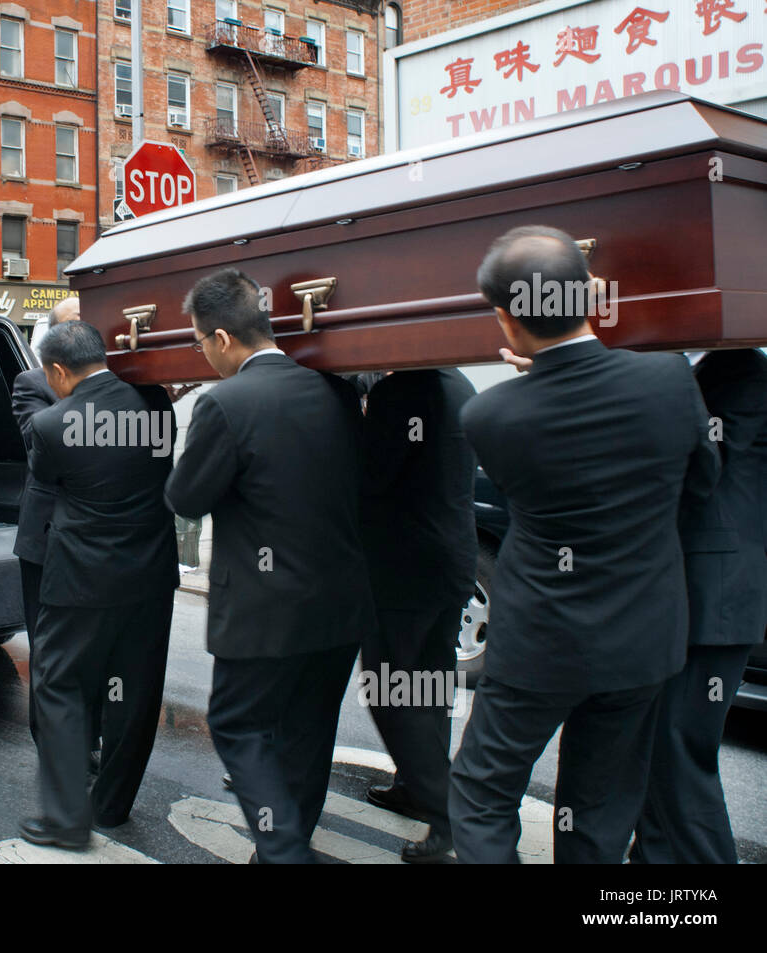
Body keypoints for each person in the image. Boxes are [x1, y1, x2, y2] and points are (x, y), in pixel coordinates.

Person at [449, 225, 720, 864]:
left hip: (542, 640)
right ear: (591, 295)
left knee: (482, 793)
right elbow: (700, 484)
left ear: (506, 319)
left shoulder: (489, 417)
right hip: (644, 636)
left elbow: (550, 437)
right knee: (599, 808)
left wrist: (538, 374)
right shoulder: (669, 381)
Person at [165, 267, 377, 864]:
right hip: (337, 601)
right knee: (309, 735)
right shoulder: (335, 390)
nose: (201, 354)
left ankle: (284, 853)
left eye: (199, 342)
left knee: (237, 726)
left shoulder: (226, 403)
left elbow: (186, 499)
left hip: (262, 612)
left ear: (223, 339)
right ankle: (286, 846)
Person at [19, 321, 179, 849]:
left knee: (58, 683)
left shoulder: (49, 425)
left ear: (59, 371)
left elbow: (48, 483)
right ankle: (112, 806)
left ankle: (67, 818)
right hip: (151, 574)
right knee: (136, 690)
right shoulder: (155, 405)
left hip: (81, 579)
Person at [630, 348, 767, 863]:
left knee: (680, 753)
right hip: (701, 590)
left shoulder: (741, 368)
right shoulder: (715, 368)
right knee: (659, 745)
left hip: (715, 594)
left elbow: (703, 465)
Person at [359, 368, 477, 863]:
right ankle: (415, 787)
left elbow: (372, 476)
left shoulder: (399, 392)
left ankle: (448, 814)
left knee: (388, 689)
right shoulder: (461, 383)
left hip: (403, 566)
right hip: (452, 557)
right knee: (428, 683)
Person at [11, 296, 92, 754]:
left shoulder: (110, 384)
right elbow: (39, 447)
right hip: (45, 535)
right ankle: (54, 742)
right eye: (73, 325)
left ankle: (89, 734)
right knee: (49, 643)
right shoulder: (32, 383)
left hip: (93, 535)